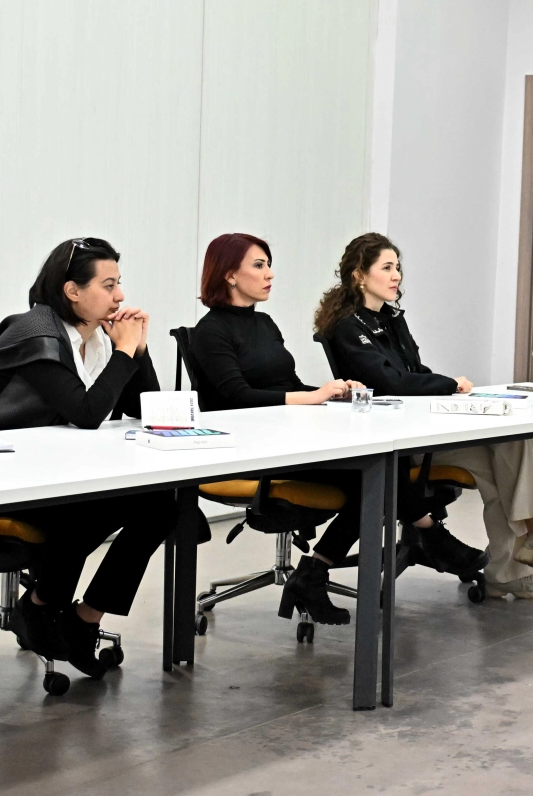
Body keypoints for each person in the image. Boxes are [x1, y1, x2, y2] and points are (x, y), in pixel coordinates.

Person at [190, 232, 484, 623]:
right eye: (259, 266)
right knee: (377, 474)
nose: (270, 274)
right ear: (229, 275)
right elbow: (236, 397)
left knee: (378, 470)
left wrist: (333, 394)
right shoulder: (210, 331)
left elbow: (289, 386)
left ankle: (315, 572)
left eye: (268, 265)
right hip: (251, 449)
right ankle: (430, 534)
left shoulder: (264, 323)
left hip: (285, 437)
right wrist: (313, 397)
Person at [315, 233, 533, 600]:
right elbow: (389, 381)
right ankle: (523, 552)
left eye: (397, 267)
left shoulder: (392, 319)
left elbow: (415, 371)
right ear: (359, 275)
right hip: (398, 445)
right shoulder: (348, 327)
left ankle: (521, 555)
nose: (396, 275)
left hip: (423, 431)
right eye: (386, 268)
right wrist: (449, 384)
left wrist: (448, 388)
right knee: (502, 463)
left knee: (508, 446)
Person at [0, 237, 174, 677]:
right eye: (108, 285)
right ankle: (43, 602)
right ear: (73, 291)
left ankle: (85, 617)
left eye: (119, 284)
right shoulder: (35, 335)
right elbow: (86, 413)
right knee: (88, 509)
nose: (120, 296)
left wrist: (137, 350)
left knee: (163, 504)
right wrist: (124, 351)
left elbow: (144, 408)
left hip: (58, 470)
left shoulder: (94, 337)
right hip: (2, 476)